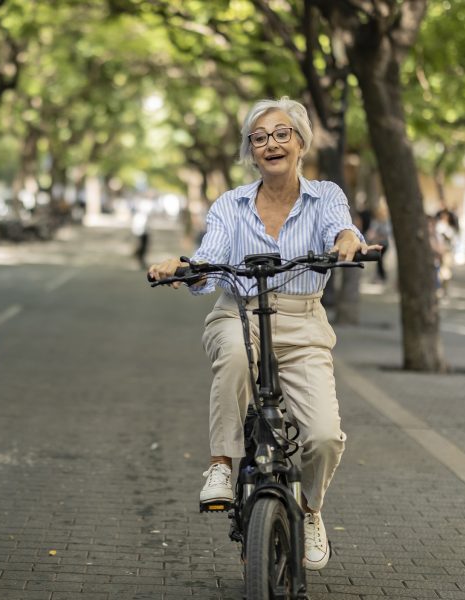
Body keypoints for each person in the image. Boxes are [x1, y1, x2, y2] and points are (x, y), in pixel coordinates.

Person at [148, 97, 381, 571]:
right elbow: (208, 258)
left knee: (323, 438)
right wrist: (183, 268)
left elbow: (343, 230)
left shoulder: (326, 195)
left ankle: (311, 511)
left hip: (303, 321)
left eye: (280, 134)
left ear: (299, 142)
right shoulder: (230, 205)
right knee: (233, 352)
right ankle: (221, 462)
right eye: (259, 137)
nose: (270, 144)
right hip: (240, 313)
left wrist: (346, 244)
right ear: (250, 150)